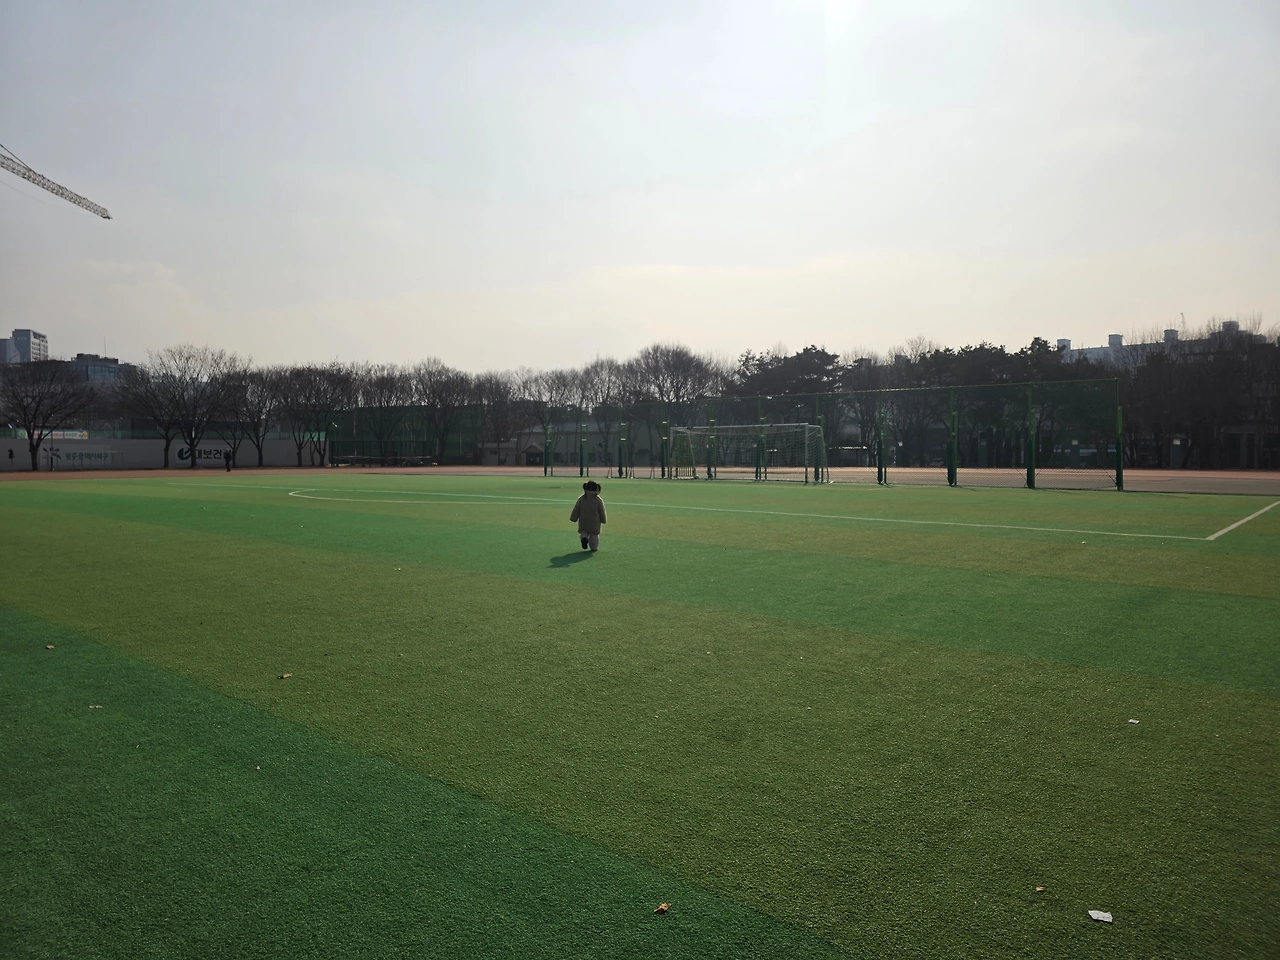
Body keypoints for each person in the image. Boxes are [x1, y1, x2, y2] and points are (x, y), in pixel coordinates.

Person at [570, 480, 606, 552]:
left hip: (583, 520)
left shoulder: (582, 498)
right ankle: (593, 547)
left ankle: (584, 538)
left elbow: (576, 509)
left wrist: (574, 518)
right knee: (594, 535)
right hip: (595, 522)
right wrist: (603, 520)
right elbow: (601, 511)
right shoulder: (598, 499)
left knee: (584, 532)